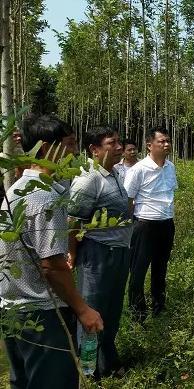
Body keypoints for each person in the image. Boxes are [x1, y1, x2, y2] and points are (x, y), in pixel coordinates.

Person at [0, 114, 103, 389]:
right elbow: (52, 266)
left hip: (14, 310)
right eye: (69, 145)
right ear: (47, 148)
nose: (74, 152)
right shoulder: (44, 197)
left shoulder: (18, 189)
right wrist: (83, 309)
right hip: (43, 315)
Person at [68, 126, 133, 378]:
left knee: (112, 311)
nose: (118, 147)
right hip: (97, 255)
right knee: (92, 311)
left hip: (118, 252)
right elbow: (73, 221)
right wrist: (72, 254)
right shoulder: (88, 178)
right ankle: (88, 371)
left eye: (119, 142)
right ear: (94, 150)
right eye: (111, 143)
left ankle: (107, 363)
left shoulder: (114, 173)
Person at [124, 127, 177, 322]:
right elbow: (128, 200)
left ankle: (158, 307)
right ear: (149, 145)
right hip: (144, 225)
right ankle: (138, 314)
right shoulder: (138, 170)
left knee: (160, 268)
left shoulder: (171, 167)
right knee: (138, 270)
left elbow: (170, 194)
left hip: (166, 224)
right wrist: (130, 227)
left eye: (168, 141)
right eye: (161, 141)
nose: (166, 144)